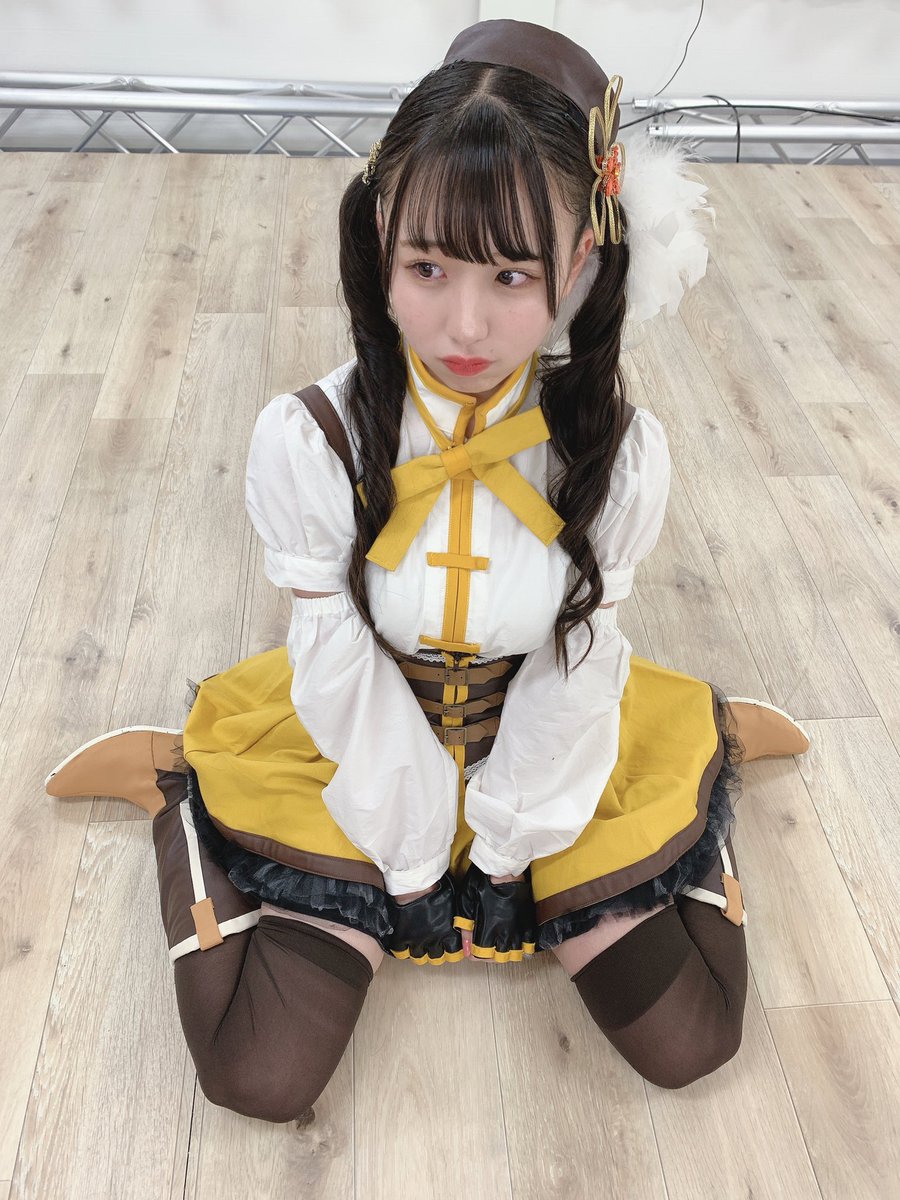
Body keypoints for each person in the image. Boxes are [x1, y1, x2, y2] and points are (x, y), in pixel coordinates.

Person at [46, 19, 810, 1122]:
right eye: (428, 267)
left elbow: (574, 655)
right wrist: (410, 866)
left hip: (547, 741)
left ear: (580, 265)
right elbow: (338, 660)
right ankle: (178, 792)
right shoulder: (312, 439)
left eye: (512, 273)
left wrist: (509, 849)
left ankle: (701, 754)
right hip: (354, 738)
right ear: (381, 242)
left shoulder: (615, 453)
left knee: (693, 1041)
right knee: (259, 1076)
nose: (465, 323)